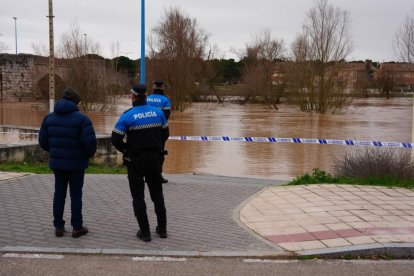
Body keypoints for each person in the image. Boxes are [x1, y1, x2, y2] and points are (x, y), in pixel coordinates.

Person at [111, 84, 169, 242]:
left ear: (133, 96)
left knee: (138, 197)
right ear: (146, 96)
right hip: (155, 160)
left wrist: (126, 150)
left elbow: (115, 139)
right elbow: (166, 134)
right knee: (157, 195)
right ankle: (162, 229)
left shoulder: (127, 116)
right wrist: (155, 145)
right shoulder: (158, 113)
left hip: (135, 161)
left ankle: (145, 232)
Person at [38, 87, 97, 238]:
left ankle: (58, 226)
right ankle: (77, 227)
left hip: (57, 163)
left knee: (59, 194)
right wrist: (86, 155)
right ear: (76, 102)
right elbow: (89, 144)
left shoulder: (48, 118)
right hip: (77, 164)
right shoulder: (83, 119)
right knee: (76, 195)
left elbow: (43, 142)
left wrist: (55, 151)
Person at [146, 80, 171, 183]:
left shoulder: (147, 98)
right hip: (159, 131)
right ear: (163, 87)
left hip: (146, 129)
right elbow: (166, 115)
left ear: (153, 87)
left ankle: (147, 176)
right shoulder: (165, 100)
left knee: (147, 152)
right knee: (159, 153)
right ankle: (158, 176)